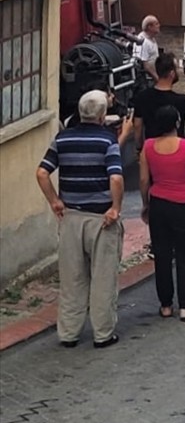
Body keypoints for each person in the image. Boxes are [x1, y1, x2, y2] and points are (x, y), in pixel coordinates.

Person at [35, 90, 124, 348]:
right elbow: (116, 177)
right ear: (101, 115)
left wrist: (55, 201)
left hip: (71, 217)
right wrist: (115, 208)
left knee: (72, 278)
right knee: (103, 278)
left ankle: (69, 333)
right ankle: (102, 333)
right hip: (101, 219)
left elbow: (42, 172)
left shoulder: (62, 138)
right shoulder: (108, 141)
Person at [139, 104, 185, 322]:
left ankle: (166, 304)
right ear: (177, 123)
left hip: (158, 203)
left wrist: (145, 204)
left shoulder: (148, 147)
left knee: (162, 255)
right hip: (184, 204)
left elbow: (143, 180)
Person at [133, 52, 185, 152]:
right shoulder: (181, 100)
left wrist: (140, 148)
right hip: (176, 150)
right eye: (177, 69)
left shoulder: (142, 97)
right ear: (172, 73)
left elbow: (137, 125)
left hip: (152, 150)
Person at [137, 15, 161, 81]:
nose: (159, 25)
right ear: (149, 27)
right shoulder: (144, 42)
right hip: (148, 80)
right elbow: (146, 66)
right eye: (156, 24)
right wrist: (156, 78)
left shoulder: (152, 38)